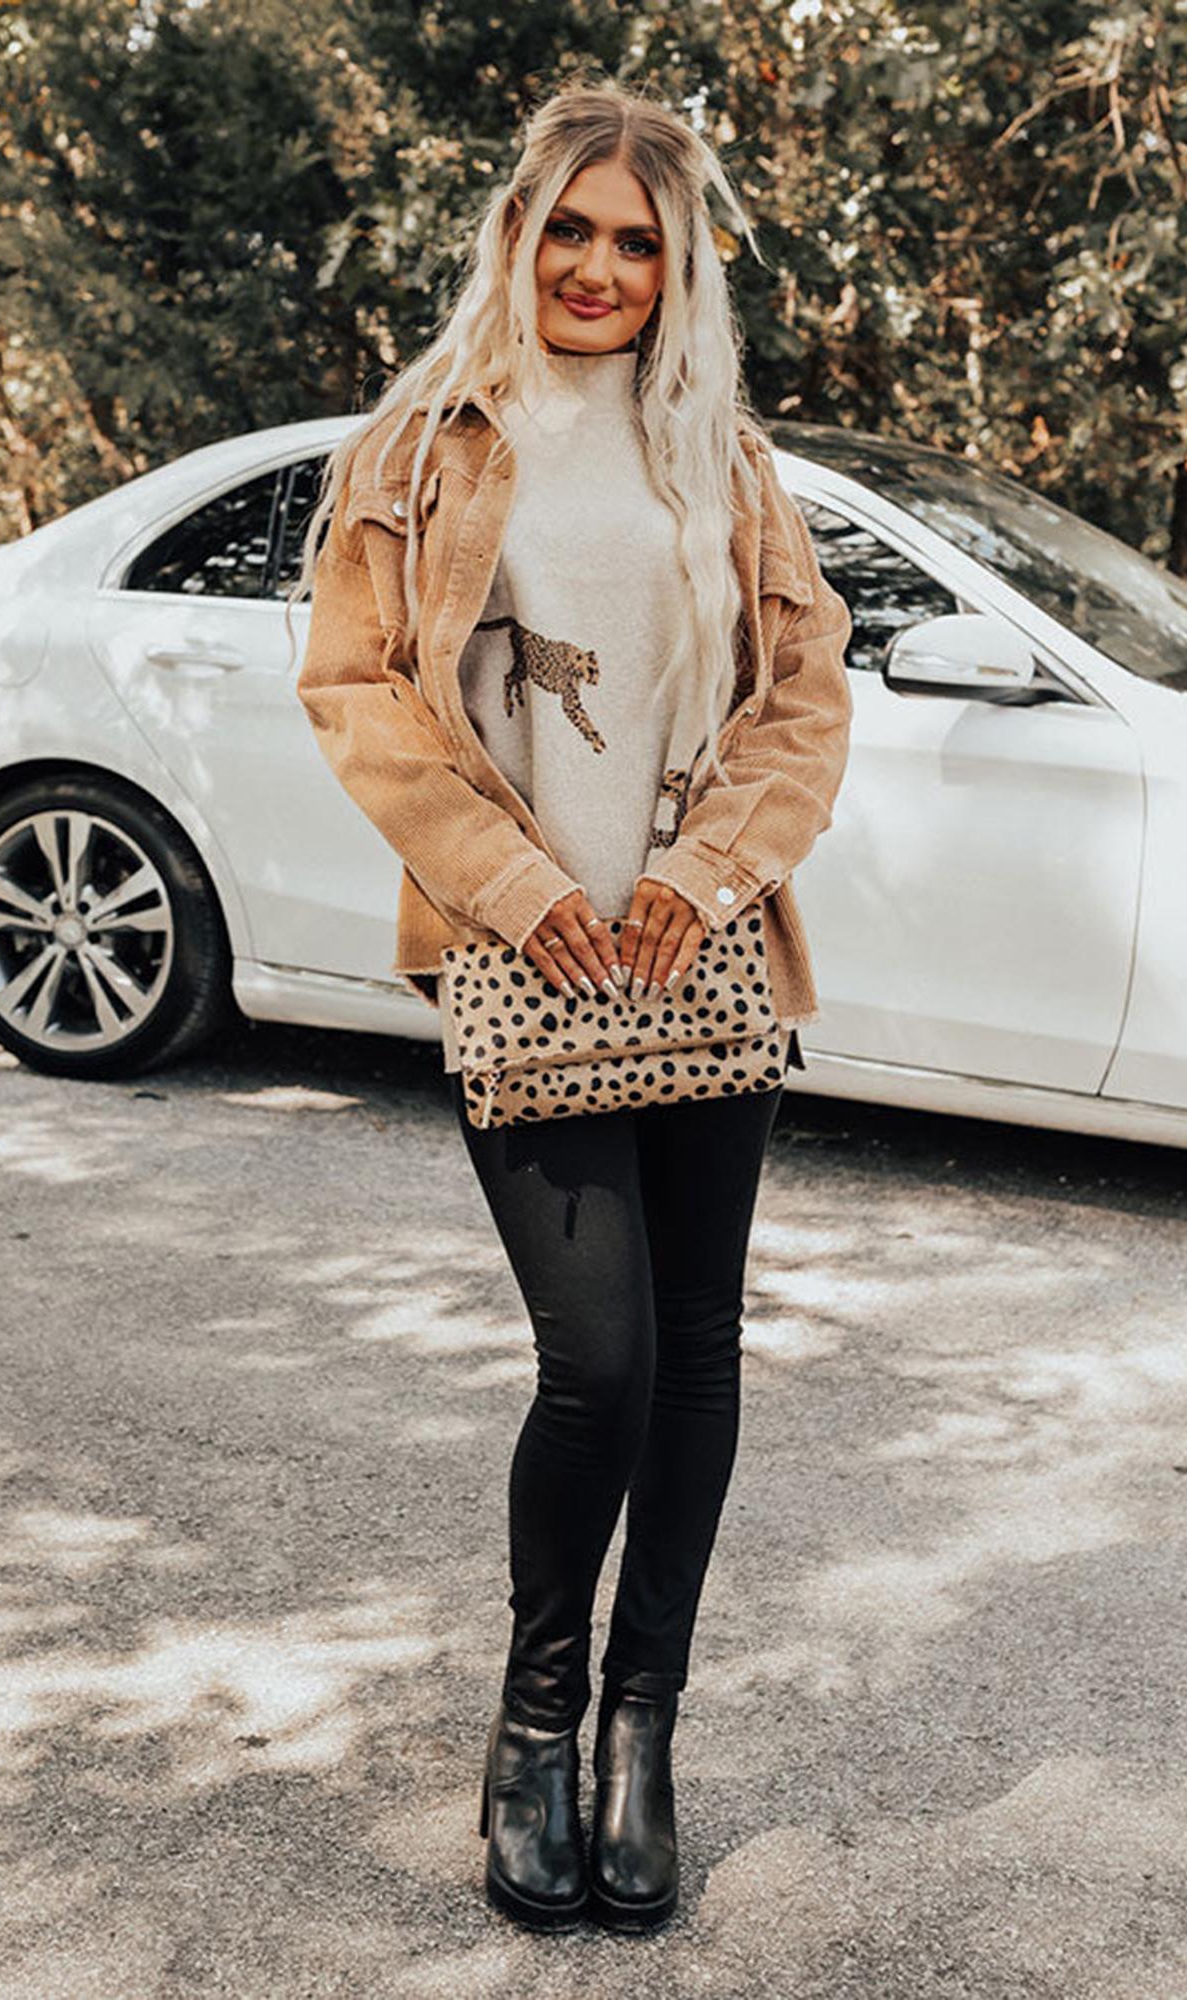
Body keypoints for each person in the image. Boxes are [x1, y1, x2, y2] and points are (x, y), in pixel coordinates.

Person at [291, 78, 853, 1935]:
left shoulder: (724, 460)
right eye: (572, 230)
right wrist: (522, 889)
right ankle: (535, 1719)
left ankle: (640, 1728)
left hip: (704, 966)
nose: (599, 268)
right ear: (518, 232)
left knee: (696, 1356)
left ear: (678, 268)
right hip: (520, 967)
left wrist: (707, 872)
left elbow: (806, 694)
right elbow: (361, 694)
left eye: (639, 242)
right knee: (595, 1363)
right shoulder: (423, 448)